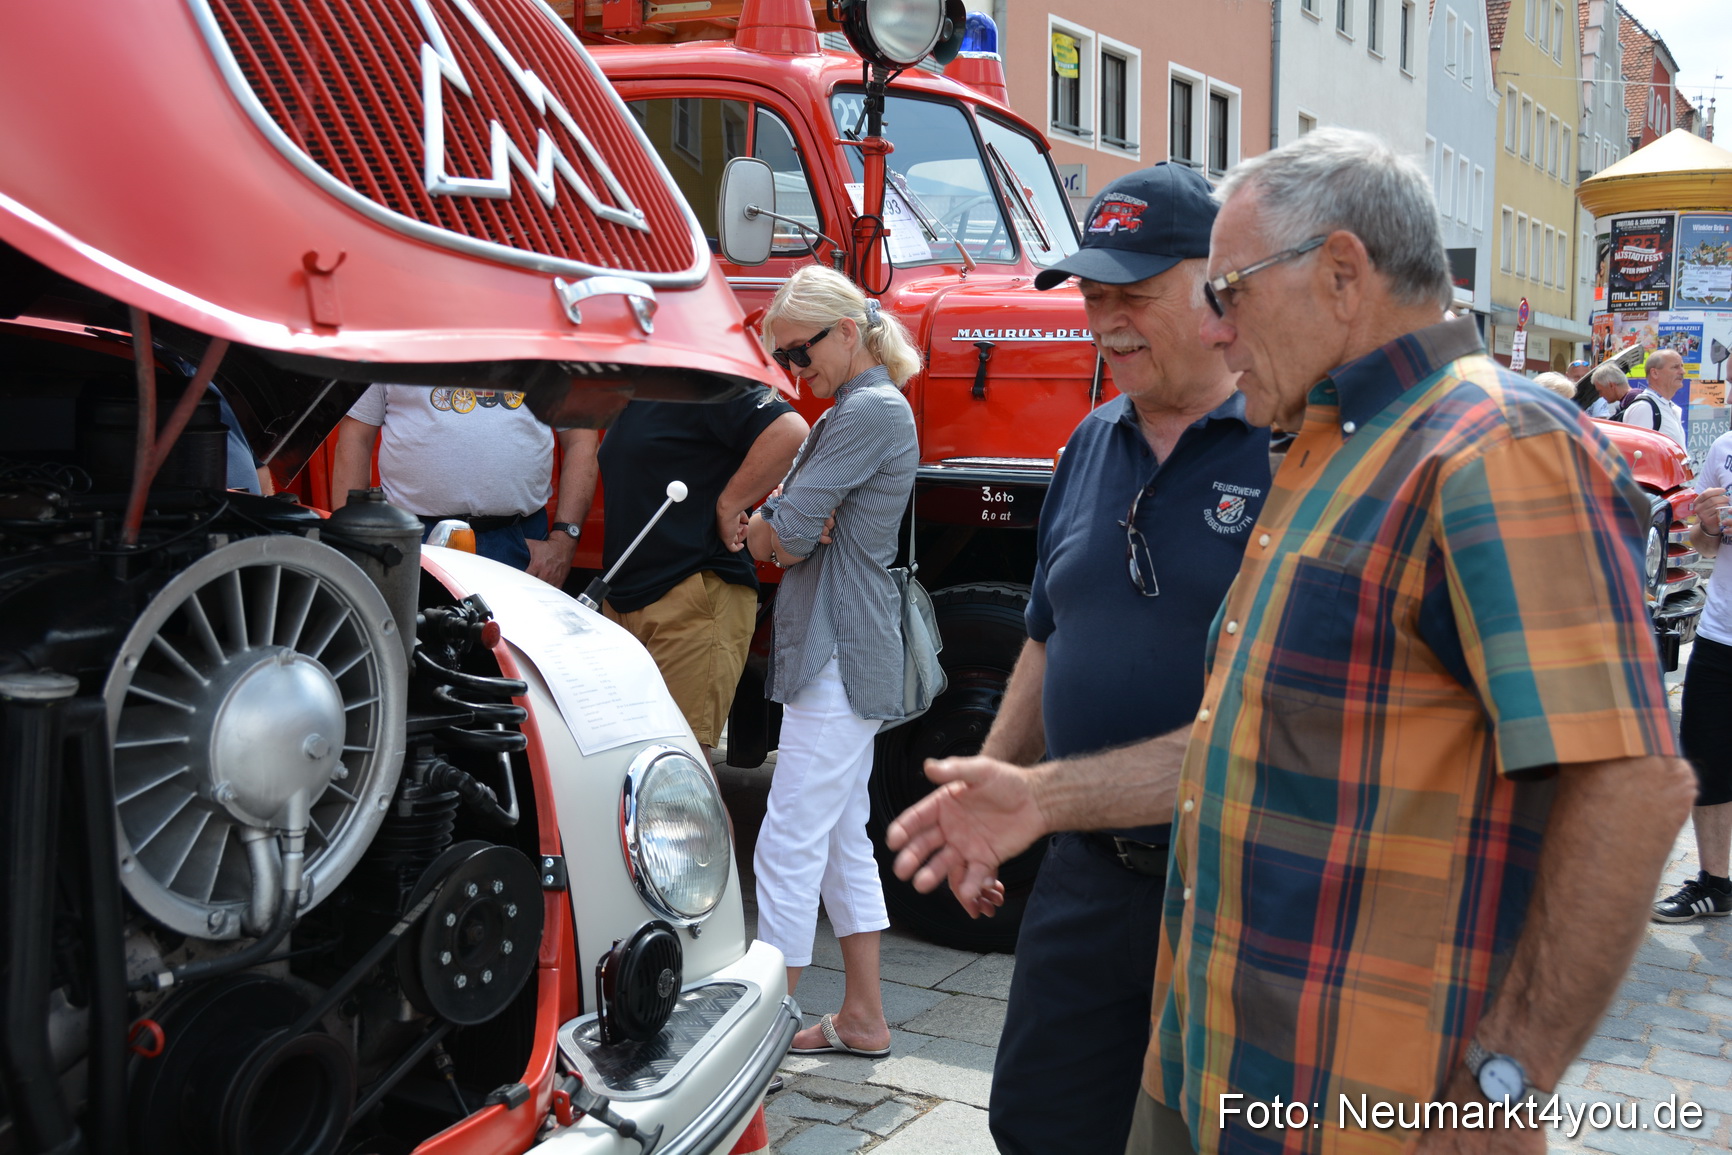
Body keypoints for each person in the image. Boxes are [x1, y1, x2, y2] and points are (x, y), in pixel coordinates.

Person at [888, 128, 1693, 1154]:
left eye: (1230, 291)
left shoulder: (1498, 448)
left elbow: (1628, 786)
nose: (1216, 325)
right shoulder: (1329, 448)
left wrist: (1503, 1085)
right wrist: (1041, 798)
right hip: (1229, 1055)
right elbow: (1253, 738)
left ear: (1343, 275)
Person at [971, 164, 1271, 1155]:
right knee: (1038, 1124)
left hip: (1232, 890)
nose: (1105, 322)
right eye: (1092, 296)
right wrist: (990, 786)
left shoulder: (1286, 449)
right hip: (1085, 876)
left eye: (1132, 294)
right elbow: (1046, 631)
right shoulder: (1088, 443)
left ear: (1215, 288)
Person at [744, 265, 920, 1060]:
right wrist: (782, 519)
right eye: (783, 358)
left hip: (837, 645)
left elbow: (782, 533)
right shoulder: (862, 407)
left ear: (847, 331)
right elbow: (787, 524)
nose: (793, 371)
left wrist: (773, 521)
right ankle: (863, 1018)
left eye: (799, 352)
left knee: (789, 838)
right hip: (843, 643)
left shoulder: (867, 412)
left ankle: (763, 1032)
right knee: (841, 835)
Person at [568, 391, 807, 756]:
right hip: (626, 600)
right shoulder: (636, 393)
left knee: (680, 766)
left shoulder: (704, 382)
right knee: (628, 763)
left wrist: (730, 505)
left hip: (691, 597)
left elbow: (790, 431)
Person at [330, 385, 591, 583]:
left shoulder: (546, 335)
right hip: (411, 538)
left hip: (520, 541)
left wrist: (563, 543)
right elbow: (355, 439)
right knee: (408, 638)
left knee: (517, 641)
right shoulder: (388, 335)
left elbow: (582, 440)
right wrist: (352, 547)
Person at [1655, 452, 1732, 923]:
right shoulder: (1724, 447)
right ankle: (1714, 884)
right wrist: (1706, 525)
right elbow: (1703, 546)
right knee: (1707, 761)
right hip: (1719, 635)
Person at [1595, 363, 1686, 448]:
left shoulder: (1635, 401)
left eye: (1600, 391)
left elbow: (1635, 442)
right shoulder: (1630, 399)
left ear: (1611, 385)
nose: (1600, 395)